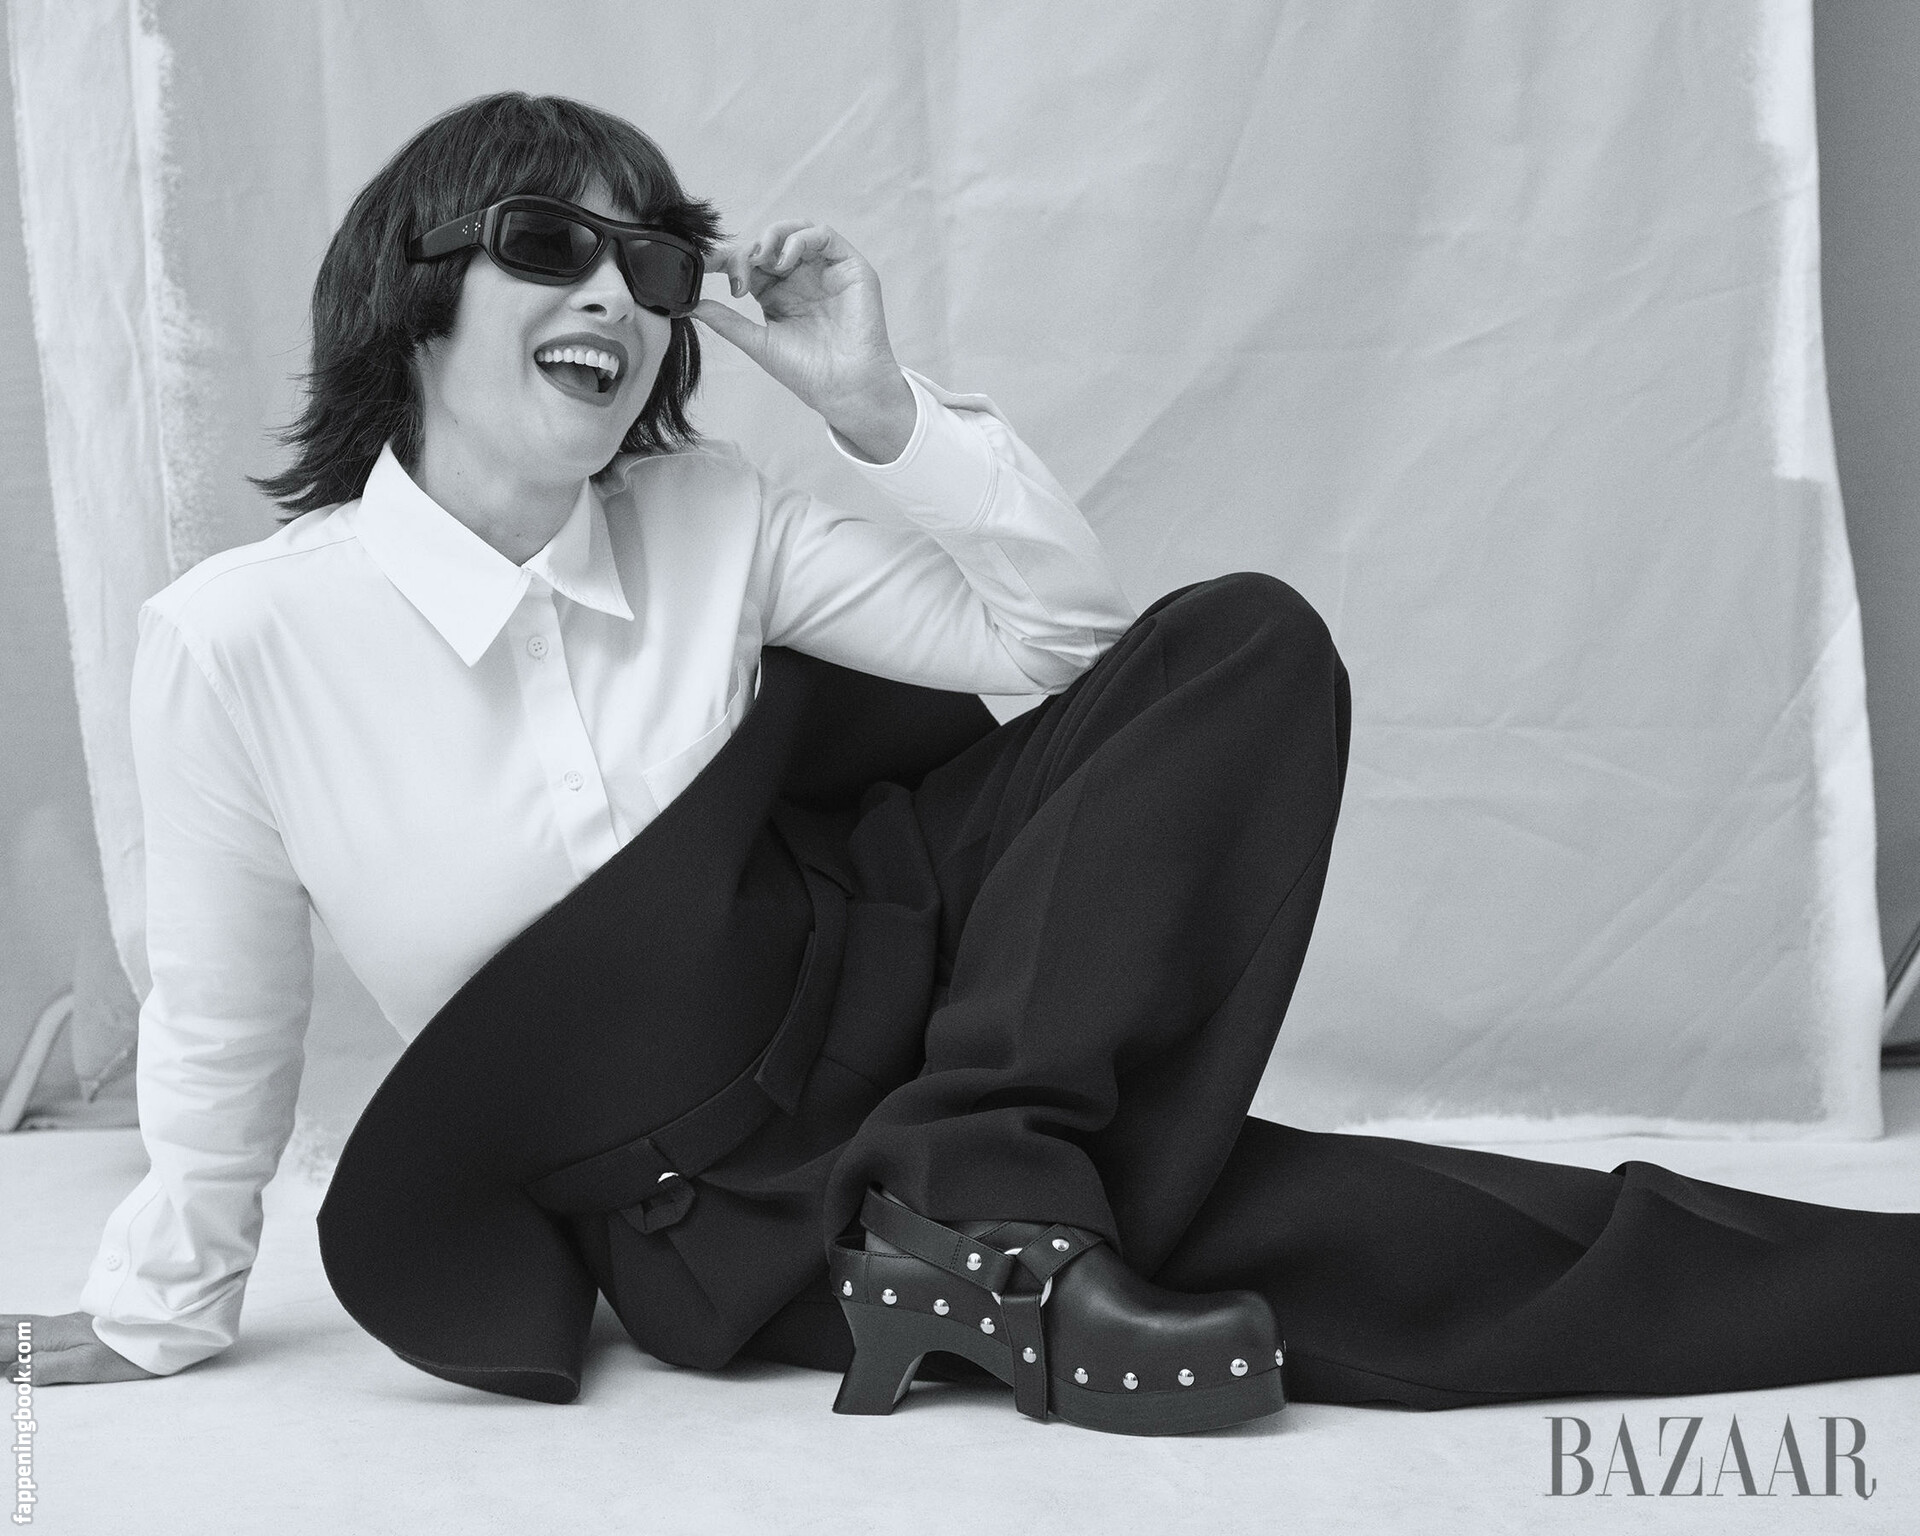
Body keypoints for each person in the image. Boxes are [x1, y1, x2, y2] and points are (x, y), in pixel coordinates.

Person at [7, 92, 1918, 1436]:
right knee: (1397, 1245)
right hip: (720, 1202)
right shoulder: (244, 640)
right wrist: (161, 1305)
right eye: (547, 245)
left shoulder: (716, 514)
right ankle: (999, 1235)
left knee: (1240, 641)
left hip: (944, 1025)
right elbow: (225, 1018)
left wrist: (872, 407)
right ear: (408, 293)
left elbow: (1064, 657)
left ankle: (993, 1211)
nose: (612, 294)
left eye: (650, 260)